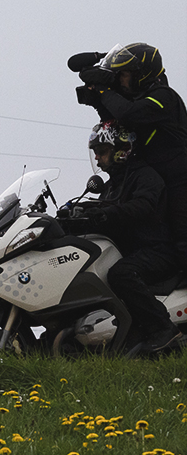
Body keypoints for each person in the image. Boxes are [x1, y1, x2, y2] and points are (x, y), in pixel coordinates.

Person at [58, 122, 184, 356]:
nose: (97, 159)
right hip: (131, 250)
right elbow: (105, 207)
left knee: (121, 274)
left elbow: (142, 206)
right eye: (95, 153)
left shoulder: (145, 176)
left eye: (101, 152)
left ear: (120, 150)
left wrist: (107, 213)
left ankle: (164, 329)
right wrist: (74, 216)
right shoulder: (112, 185)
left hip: (157, 250)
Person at [71, 43, 187, 271]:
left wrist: (104, 90)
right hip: (157, 177)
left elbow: (128, 113)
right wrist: (98, 89)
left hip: (180, 181)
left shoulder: (164, 97)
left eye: (123, 74)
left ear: (142, 75)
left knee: (182, 241)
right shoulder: (137, 100)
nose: (120, 80)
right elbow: (118, 123)